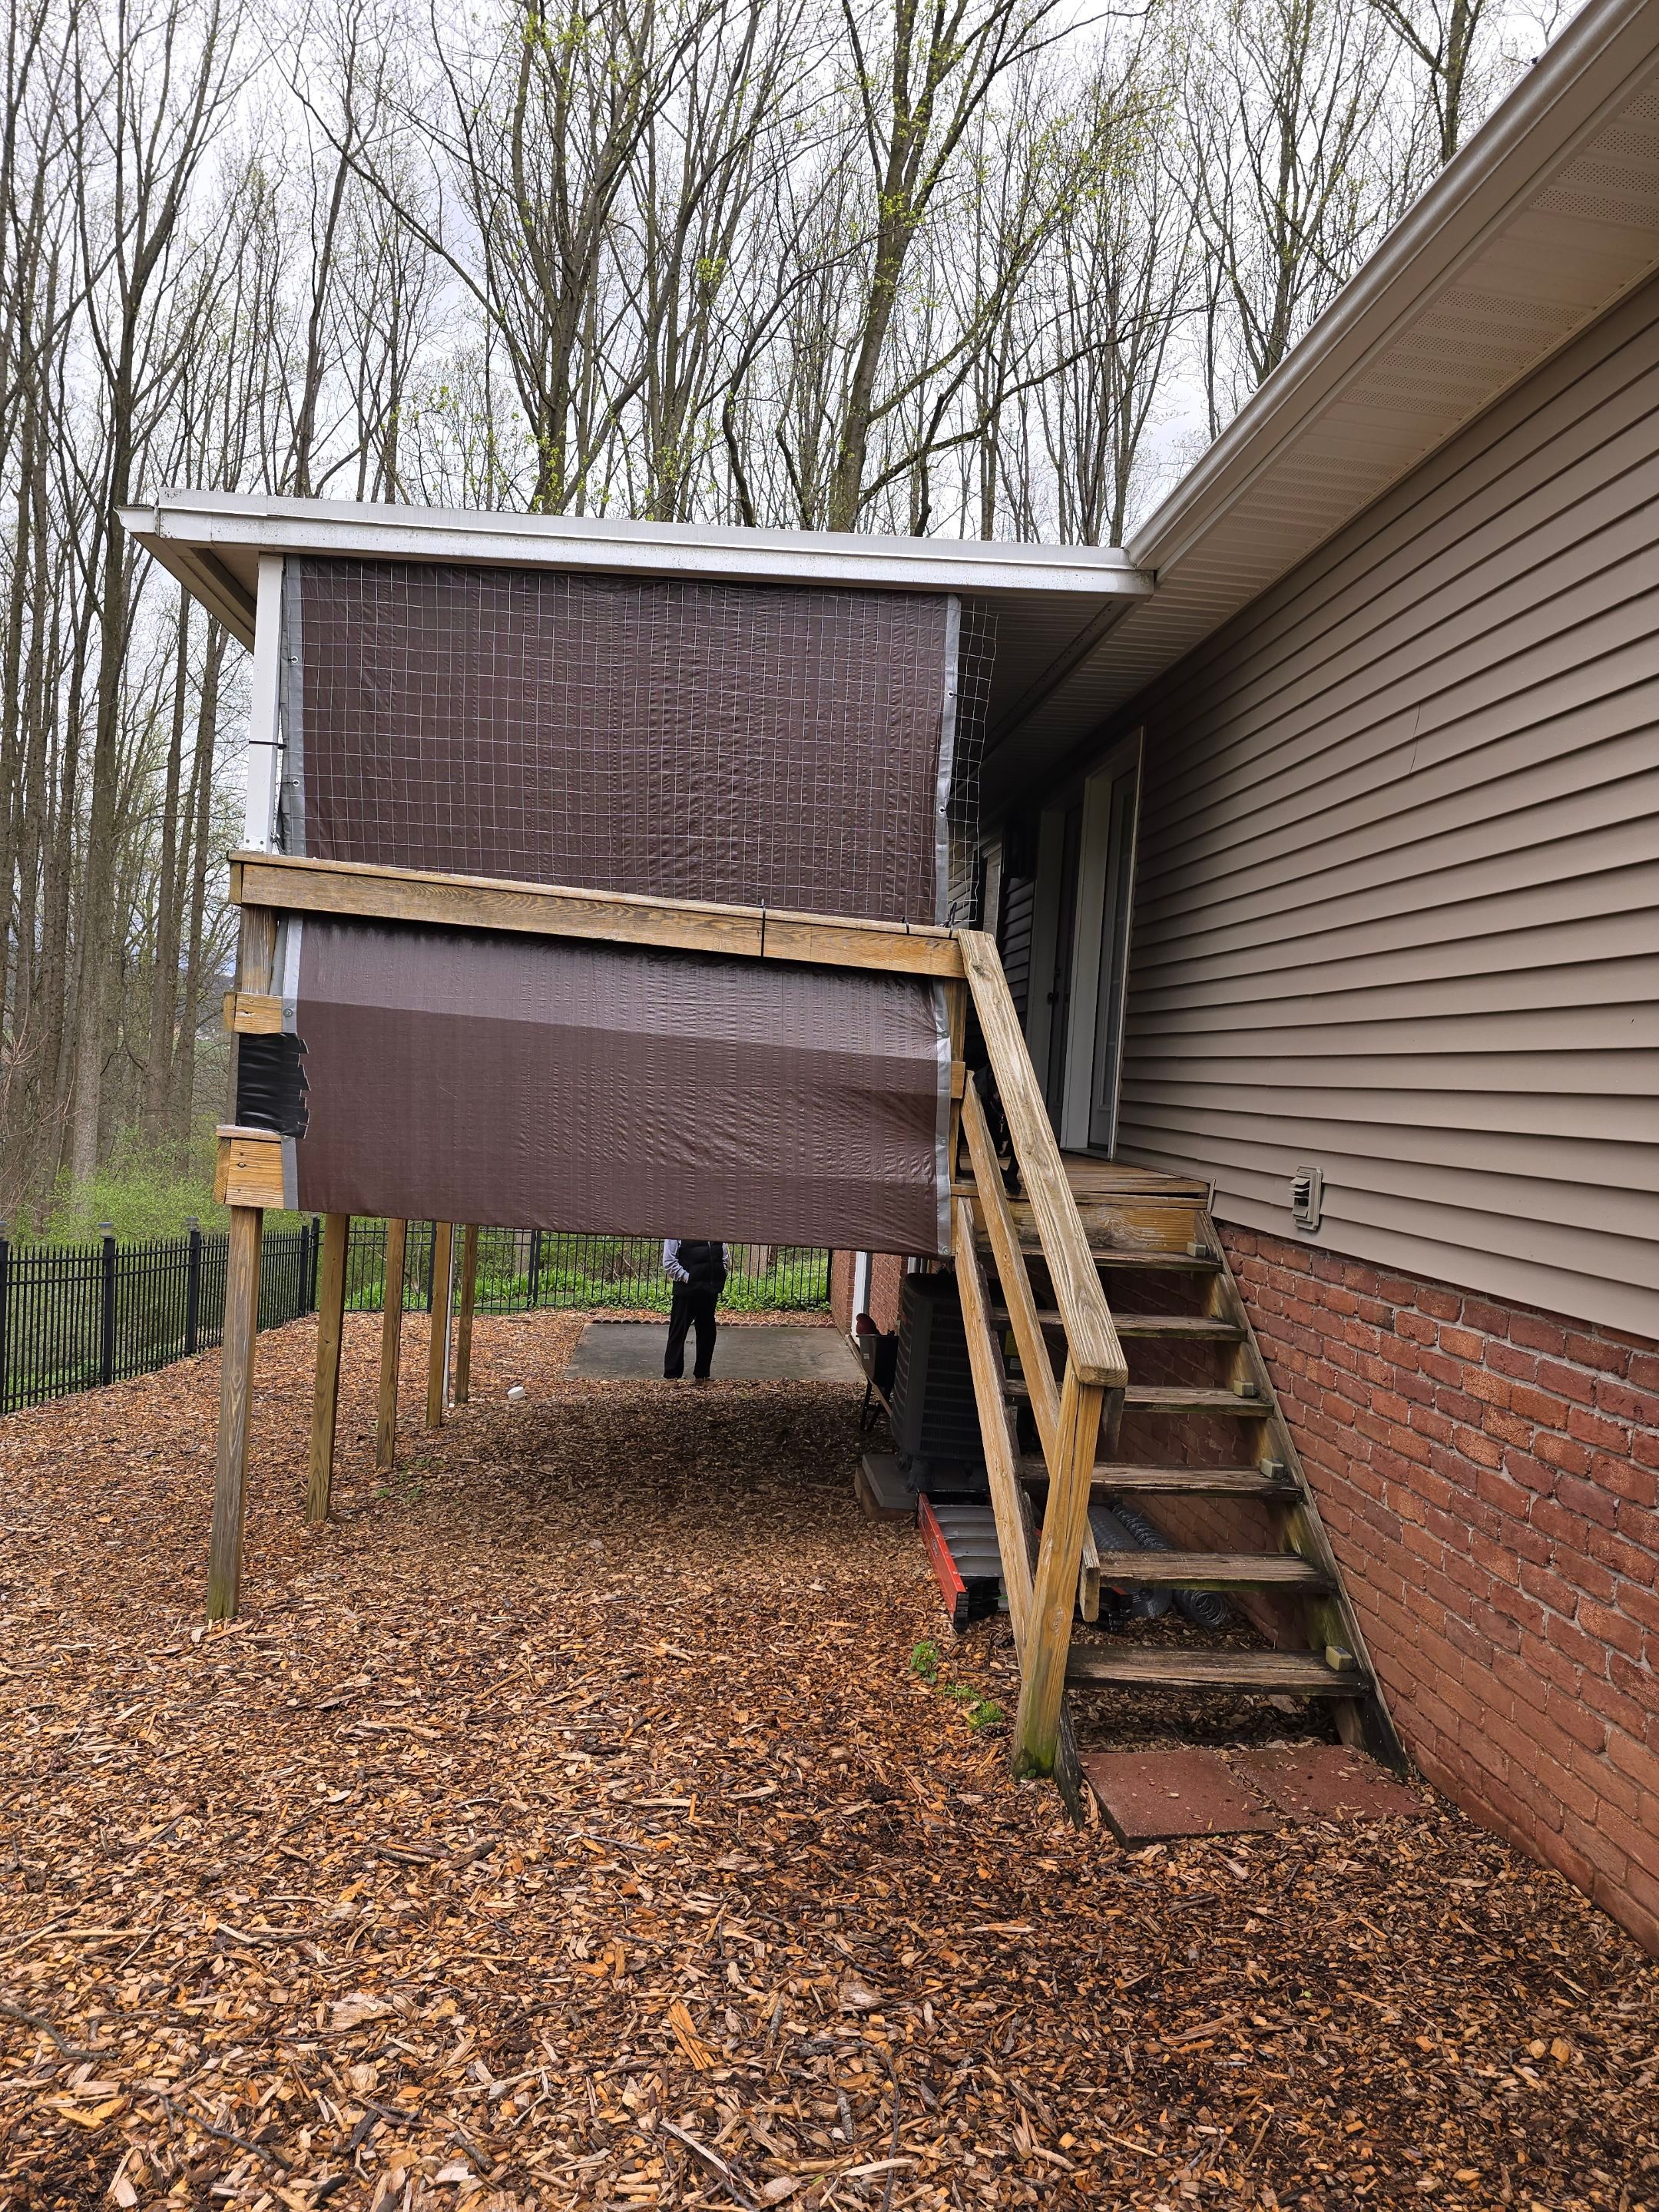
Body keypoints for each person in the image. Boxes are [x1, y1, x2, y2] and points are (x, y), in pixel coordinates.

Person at [662, 1238, 729, 1380]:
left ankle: (702, 1374)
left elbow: (724, 1255)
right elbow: (669, 1262)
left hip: (709, 1290)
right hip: (686, 1290)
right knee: (678, 1331)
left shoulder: (717, 1230)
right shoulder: (677, 1230)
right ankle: (672, 1375)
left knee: (708, 1333)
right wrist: (689, 1278)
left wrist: (720, 1274)